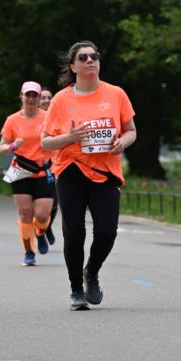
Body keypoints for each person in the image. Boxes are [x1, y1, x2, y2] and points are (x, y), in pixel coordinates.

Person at [41, 40, 136, 309]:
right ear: (73, 66)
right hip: (71, 169)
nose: (90, 60)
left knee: (107, 231)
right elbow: (45, 143)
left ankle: (91, 272)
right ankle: (76, 291)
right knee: (75, 231)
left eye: (94, 56)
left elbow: (131, 130)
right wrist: (68, 137)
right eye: (83, 57)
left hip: (105, 170)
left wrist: (123, 142)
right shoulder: (61, 100)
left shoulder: (116, 94)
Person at [0, 81, 54, 266]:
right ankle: (29, 252)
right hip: (20, 169)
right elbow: (2, 148)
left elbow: (58, 140)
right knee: (25, 214)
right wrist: (13, 146)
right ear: (21, 97)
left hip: (43, 170)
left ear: (39, 98)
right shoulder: (12, 120)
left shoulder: (49, 117)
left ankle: (40, 233)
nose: (31, 99)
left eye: (34, 95)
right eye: (27, 95)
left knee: (42, 215)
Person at [39, 88, 59, 246]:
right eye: (42, 98)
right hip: (35, 166)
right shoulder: (30, 116)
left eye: (49, 97)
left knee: (55, 202)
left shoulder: (58, 115)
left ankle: (48, 227)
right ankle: (41, 229)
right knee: (39, 204)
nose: (46, 100)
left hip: (54, 164)